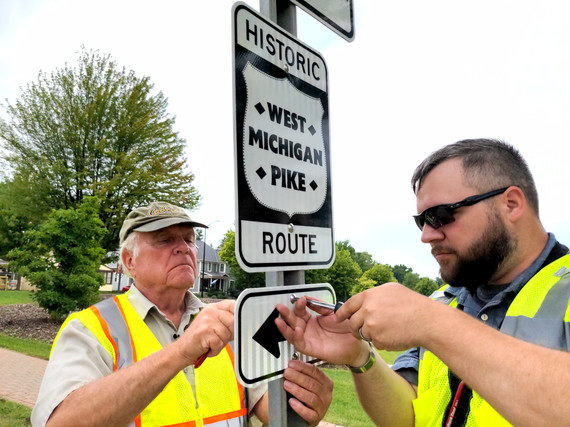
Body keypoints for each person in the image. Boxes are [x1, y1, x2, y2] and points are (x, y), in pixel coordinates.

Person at [275, 138, 570, 426]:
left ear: (511, 204)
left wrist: (433, 325)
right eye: (422, 221)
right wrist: (359, 355)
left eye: (440, 215)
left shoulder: (435, 315)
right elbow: (409, 416)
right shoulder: (443, 300)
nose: (426, 235)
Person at [31, 201, 333, 427]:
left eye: (189, 240)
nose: (184, 249)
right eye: (165, 240)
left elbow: (268, 408)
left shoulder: (226, 323)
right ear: (128, 261)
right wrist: (181, 352)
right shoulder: (91, 328)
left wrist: (304, 402)